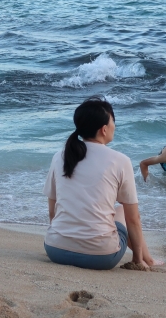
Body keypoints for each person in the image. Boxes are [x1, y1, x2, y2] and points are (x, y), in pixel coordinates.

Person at [43, 96, 160, 270]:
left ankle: (146, 259)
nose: (115, 126)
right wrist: (136, 258)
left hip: (55, 249)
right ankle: (145, 259)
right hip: (101, 257)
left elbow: (53, 210)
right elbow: (133, 219)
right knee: (121, 210)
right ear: (104, 129)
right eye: (114, 121)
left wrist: (61, 237)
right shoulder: (120, 160)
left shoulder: (60, 156)